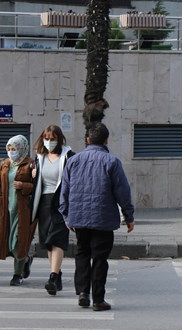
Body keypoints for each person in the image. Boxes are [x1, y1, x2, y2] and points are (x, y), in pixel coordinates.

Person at [59, 122, 135, 311]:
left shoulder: (73, 161)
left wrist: (66, 215)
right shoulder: (112, 162)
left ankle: (83, 292)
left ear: (88, 139)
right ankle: (98, 299)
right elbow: (122, 192)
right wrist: (129, 216)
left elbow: (64, 191)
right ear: (106, 140)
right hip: (103, 218)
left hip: (79, 217)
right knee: (100, 258)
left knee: (82, 254)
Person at [30, 124, 74, 295]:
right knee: (48, 243)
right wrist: (33, 176)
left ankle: (53, 277)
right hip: (43, 203)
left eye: (52, 139)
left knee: (57, 239)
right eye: (46, 139)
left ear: (60, 139)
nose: (49, 142)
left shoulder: (68, 156)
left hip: (61, 203)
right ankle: (57, 275)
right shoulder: (39, 157)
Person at [0, 135, 37, 286]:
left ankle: (17, 274)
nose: (12, 152)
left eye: (15, 149)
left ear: (22, 148)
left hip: (23, 210)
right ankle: (25, 259)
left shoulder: (31, 164)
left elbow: (37, 186)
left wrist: (24, 186)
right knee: (9, 242)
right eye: (9, 149)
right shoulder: (5, 164)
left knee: (18, 241)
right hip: (7, 209)